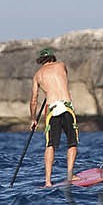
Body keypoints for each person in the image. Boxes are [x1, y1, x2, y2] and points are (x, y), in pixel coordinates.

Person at [30, 48, 78, 187]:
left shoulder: (38, 75)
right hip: (67, 107)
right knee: (72, 142)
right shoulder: (62, 65)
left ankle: (48, 181)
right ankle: (70, 175)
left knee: (50, 144)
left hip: (52, 109)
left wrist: (33, 119)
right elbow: (63, 79)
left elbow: (34, 100)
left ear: (41, 61)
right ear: (53, 58)